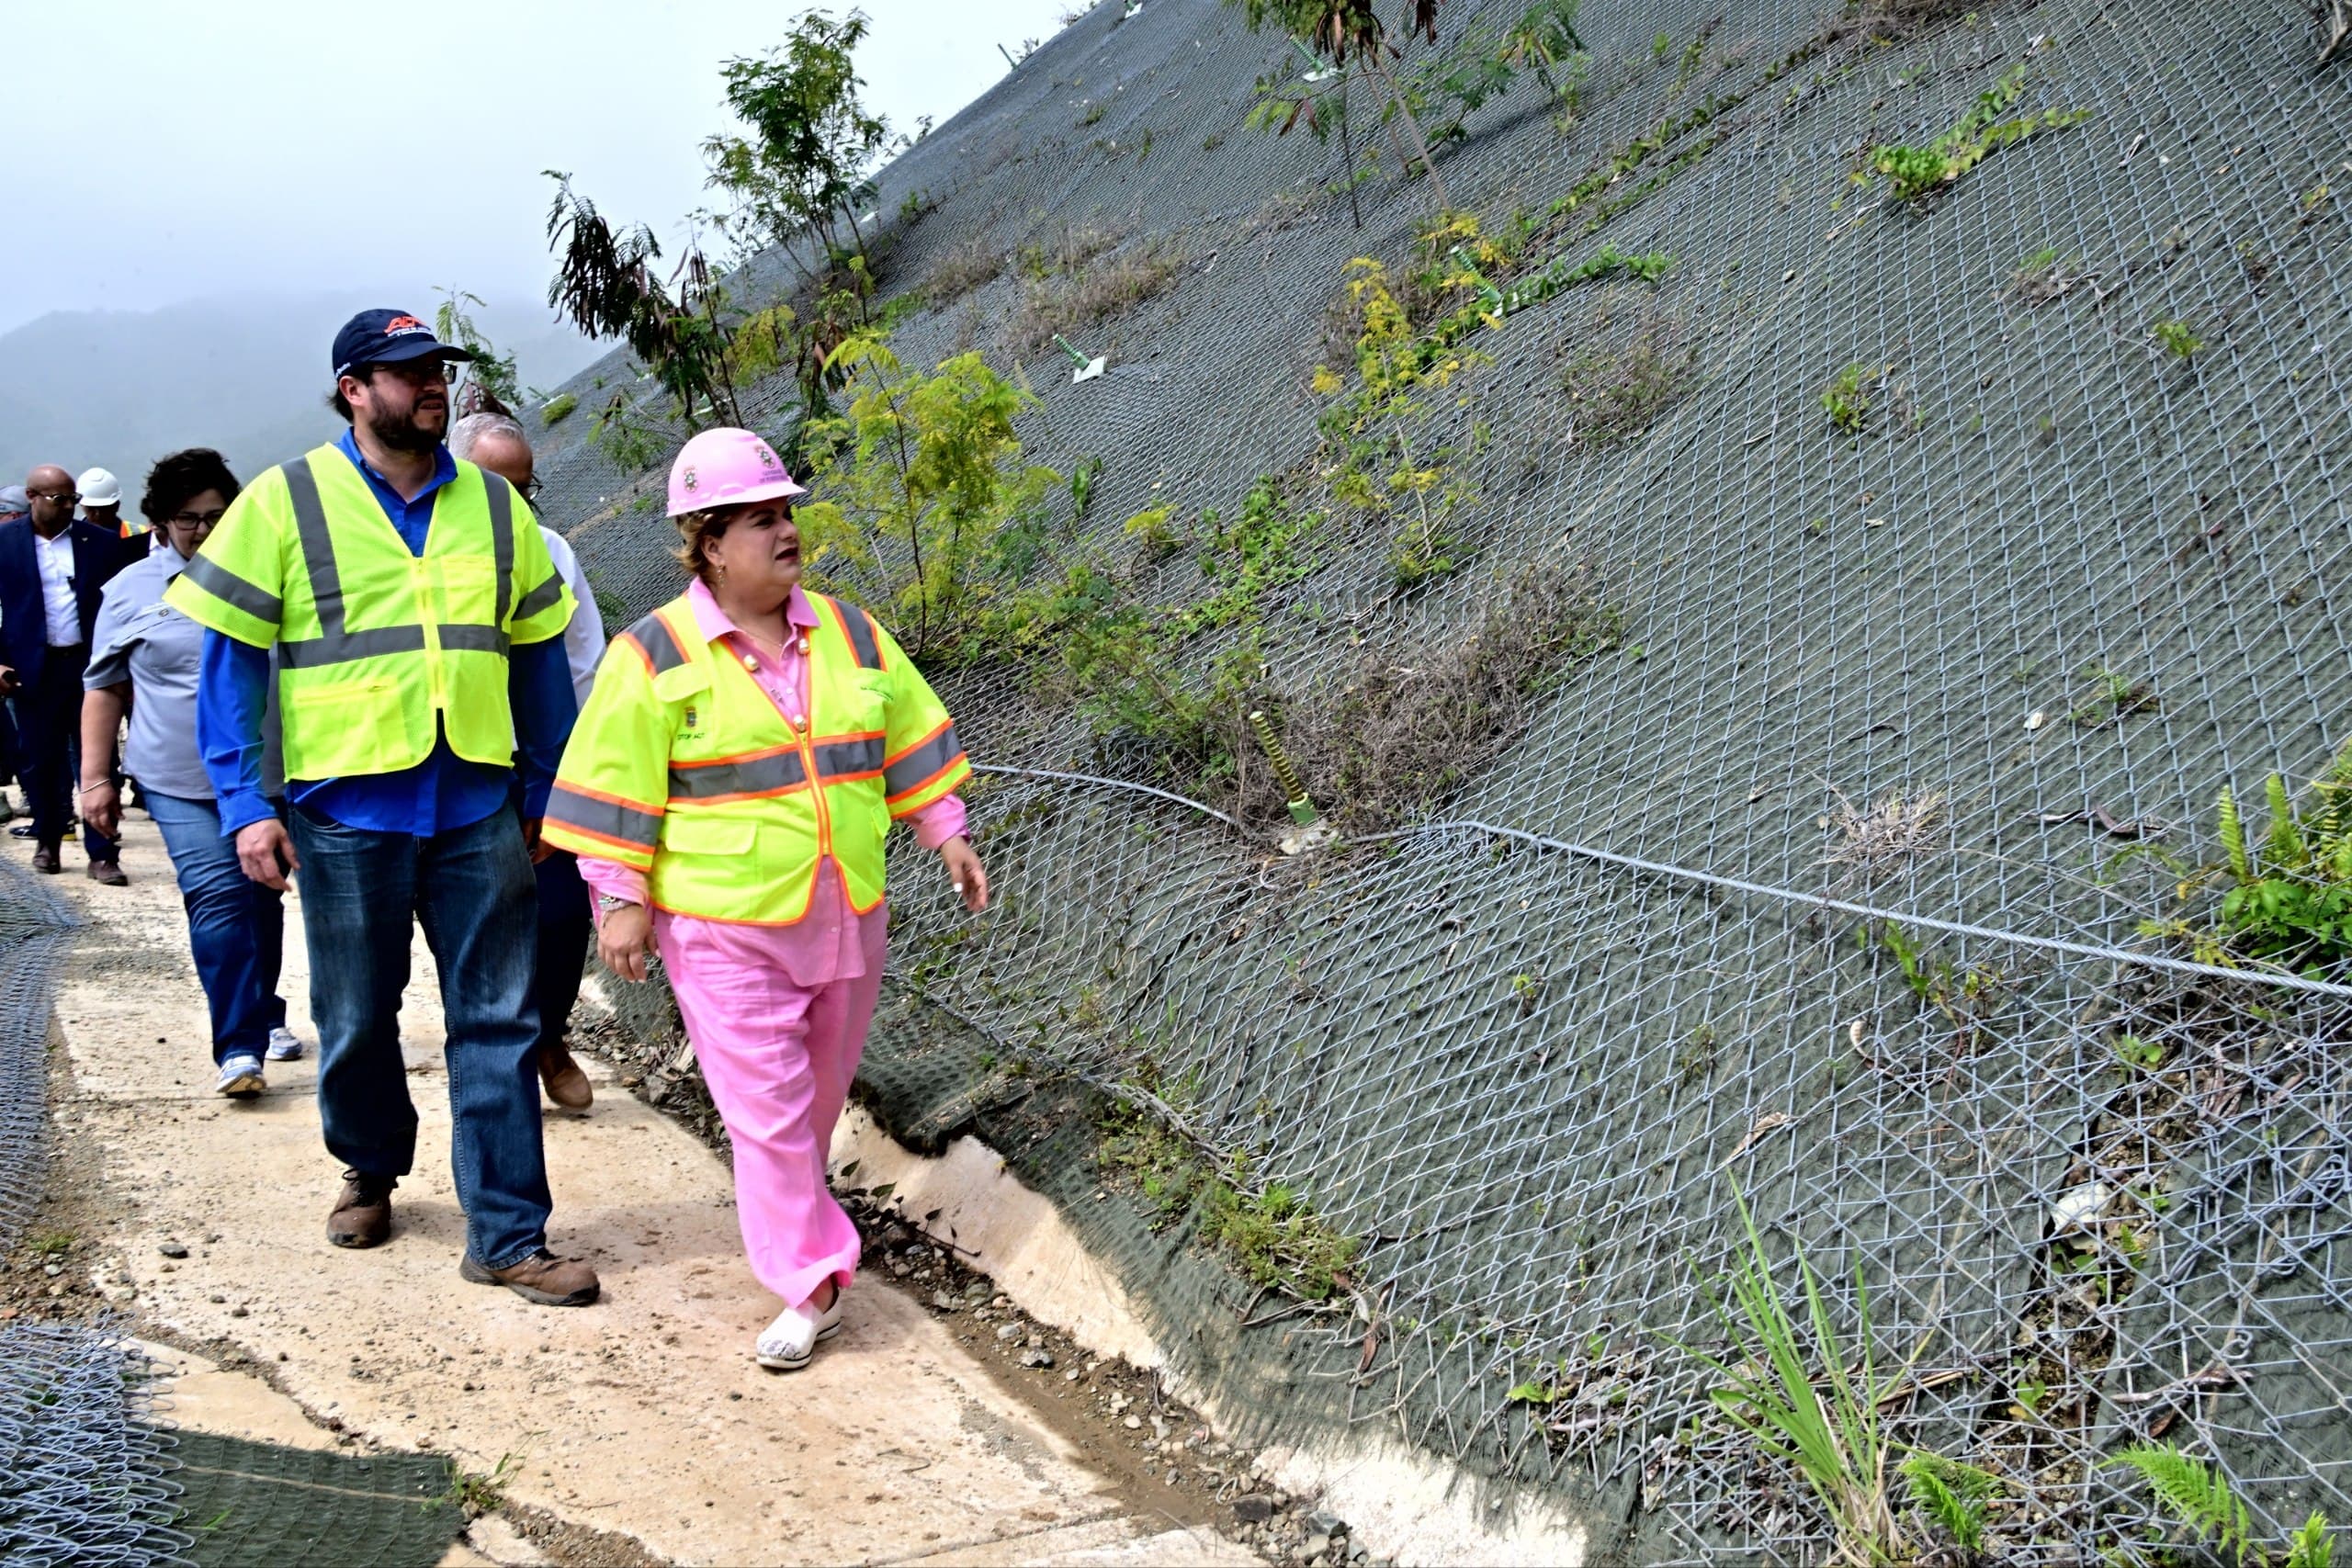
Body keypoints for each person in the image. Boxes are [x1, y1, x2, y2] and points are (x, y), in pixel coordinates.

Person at [167, 308, 596, 1307]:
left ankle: (507, 1233)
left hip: (477, 804)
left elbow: (538, 657)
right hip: (344, 810)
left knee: (498, 1018)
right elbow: (228, 670)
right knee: (356, 1018)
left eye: (437, 371)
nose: (431, 387)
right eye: (406, 374)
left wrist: (547, 788)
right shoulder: (284, 502)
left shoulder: (495, 507)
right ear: (354, 390)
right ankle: (369, 1166)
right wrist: (245, 805)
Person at [544, 427, 988, 1370]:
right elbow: (613, 783)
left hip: (843, 912)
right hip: (720, 929)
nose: (785, 532)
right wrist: (618, 899)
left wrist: (943, 830)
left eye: (785, 513)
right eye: (759, 518)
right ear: (707, 541)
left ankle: (804, 1243)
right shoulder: (652, 655)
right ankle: (814, 1280)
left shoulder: (851, 633)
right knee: (769, 1113)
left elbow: (903, 740)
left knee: (812, 1105)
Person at [80, 449, 307, 1095]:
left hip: (266, 775)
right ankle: (239, 1046)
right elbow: (103, 688)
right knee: (217, 898)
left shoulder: (274, 578)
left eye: (217, 515)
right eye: (188, 519)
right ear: (158, 521)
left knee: (263, 899)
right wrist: (96, 779)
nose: (205, 531)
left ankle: (264, 1013)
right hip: (177, 779)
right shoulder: (128, 594)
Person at [447, 410, 604, 1112]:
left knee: (565, 912)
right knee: (479, 921)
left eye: (523, 485)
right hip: (459, 767)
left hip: (543, 762)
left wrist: (570, 767)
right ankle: (498, 1059)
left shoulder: (551, 552)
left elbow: (582, 662)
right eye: (493, 483)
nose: (511, 502)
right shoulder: (428, 556)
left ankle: (549, 1035)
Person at [0, 466, 134, 879]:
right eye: (57, 499)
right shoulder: (6, 543)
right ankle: (48, 842)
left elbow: (121, 605)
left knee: (99, 760)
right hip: (32, 671)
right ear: (32, 497)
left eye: (71, 499)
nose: (67, 507)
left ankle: (103, 853)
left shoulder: (99, 543)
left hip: (90, 666)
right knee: (41, 760)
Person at [78, 468, 138, 542]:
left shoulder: (139, 536)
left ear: (117, 506)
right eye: (91, 509)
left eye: (103, 509)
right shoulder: (72, 535)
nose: (98, 514)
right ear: (81, 505)